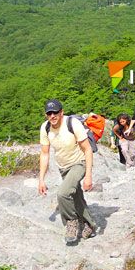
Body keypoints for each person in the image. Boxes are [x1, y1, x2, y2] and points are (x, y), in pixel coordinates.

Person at [38, 99, 97, 244]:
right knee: (76, 197)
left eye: (55, 112)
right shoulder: (45, 128)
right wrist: (41, 179)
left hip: (79, 162)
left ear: (61, 112)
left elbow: (87, 149)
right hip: (63, 167)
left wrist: (88, 175)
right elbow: (44, 154)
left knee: (63, 194)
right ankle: (90, 224)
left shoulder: (72, 123)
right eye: (49, 113)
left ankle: (71, 222)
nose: (52, 116)